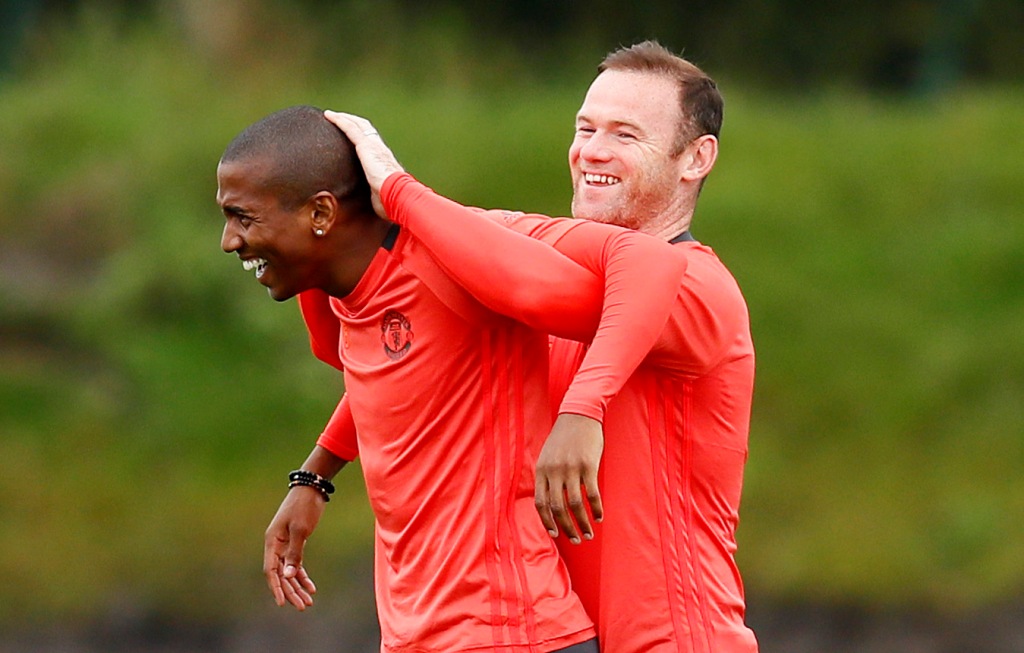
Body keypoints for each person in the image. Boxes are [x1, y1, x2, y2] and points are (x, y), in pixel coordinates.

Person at [327, 39, 759, 653]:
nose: (592, 152)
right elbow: (428, 359)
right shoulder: (553, 277)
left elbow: (534, 268)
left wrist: (399, 196)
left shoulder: (695, 288)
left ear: (695, 159)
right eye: (585, 128)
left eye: (625, 135)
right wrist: (317, 472)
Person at [218, 105, 690, 652]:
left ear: (321, 213)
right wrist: (315, 475)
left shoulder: (453, 254)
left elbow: (653, 264)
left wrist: (583, 410)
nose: (229, 241)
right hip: (413, 636)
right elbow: (387, 382)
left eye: (243, 218)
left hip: (514, 634)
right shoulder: (338, 290)